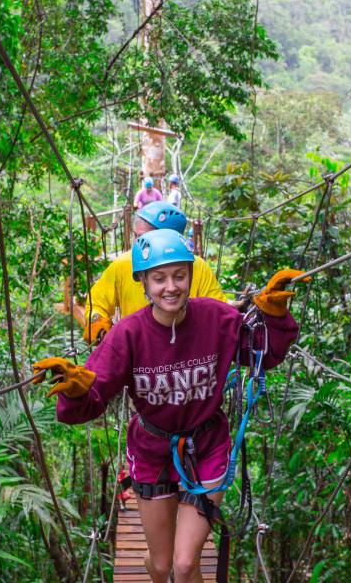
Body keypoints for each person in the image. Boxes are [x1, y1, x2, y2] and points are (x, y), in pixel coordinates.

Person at [33, 229, 306, 582]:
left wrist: (274, 316)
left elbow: (261, 352)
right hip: (152, 450)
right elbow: (93, 396)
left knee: (184, 563)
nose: (170, 287)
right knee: (161, 566)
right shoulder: (128, 334)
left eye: (179, 275)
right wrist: (74, 392)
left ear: (191, 277)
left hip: (207, 445)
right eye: (158, 278)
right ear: (143, 283)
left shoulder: (217, 318)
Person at [83, 201, 227, 345]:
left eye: (145, 239)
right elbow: (96, 304)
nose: (138, 245)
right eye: (136, 237)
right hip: (138, 349)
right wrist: (97, 322)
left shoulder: (197, 267)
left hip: (187, 348)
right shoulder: (123, 265)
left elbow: (218, 310)